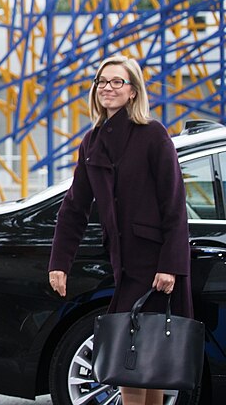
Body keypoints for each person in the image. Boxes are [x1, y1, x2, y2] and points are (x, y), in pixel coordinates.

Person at [48, 55, 193, 405]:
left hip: (156, 265)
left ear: (132, 92)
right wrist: (59, 263)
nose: (108, 88)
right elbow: (74, 208)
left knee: (150, 362)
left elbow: (174, 205)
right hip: (124, 266)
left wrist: (170, 265)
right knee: (132, 361)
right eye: (102, 81)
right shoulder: (93, 142)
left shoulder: (153, 135)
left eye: (117, 82)